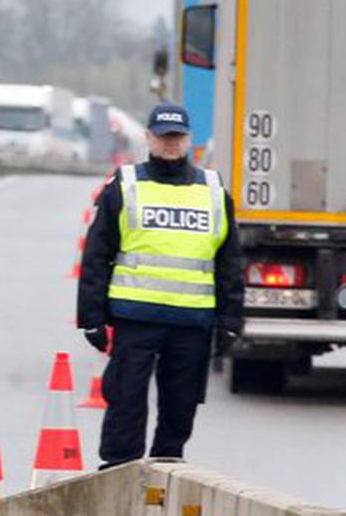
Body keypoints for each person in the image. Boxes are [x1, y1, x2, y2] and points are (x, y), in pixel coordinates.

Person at [76, 103, 243, 468]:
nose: (171, 143)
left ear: (189, 141)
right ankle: (118, 471)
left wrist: (231, 320)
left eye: (178, 137)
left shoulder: (214, 191)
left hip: (191, 322)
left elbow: (229, 262)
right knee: (125, 398)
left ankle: (168, 471)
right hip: (135, 319)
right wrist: (90, 316)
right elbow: (96, 255)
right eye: (164, 136)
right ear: (149, 137)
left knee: (181, 404)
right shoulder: (126, 185)